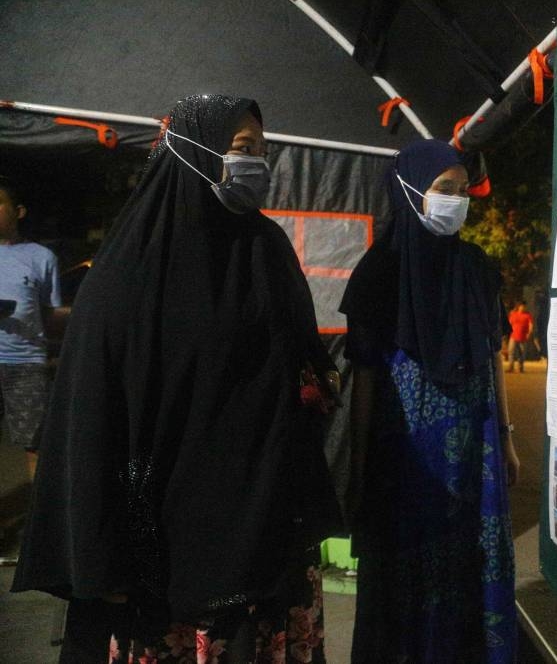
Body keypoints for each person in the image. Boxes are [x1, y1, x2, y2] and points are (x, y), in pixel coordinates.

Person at [12, 95, 341, 662]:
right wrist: (99, 548)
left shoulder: (267, 248)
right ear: (193, 152)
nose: (256, 164)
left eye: (263, 151)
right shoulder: (129, 270)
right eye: (242, 149)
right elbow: (92, 416)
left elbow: (305, 363)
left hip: (265, 522)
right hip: (163, 544)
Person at [340, 139, 519, 663]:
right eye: (445, 190)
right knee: (407, 578)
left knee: (473, 568)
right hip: (405, 460)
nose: (457, 201)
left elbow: (492, 359)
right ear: (410, 191)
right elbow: (366, 379)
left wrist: (506, 440)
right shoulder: (378, 274)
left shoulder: (477, 269)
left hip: (475, 453)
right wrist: (358, 468)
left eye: (463, 191)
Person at [0, 176, 69, 481]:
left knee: (35, 446)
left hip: (26, 364)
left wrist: (88, 314)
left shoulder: (42, 258)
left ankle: (35, 522)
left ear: (18, 212)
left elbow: (49, 316)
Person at [507, 300, 533, 373]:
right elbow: (509, 323)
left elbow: (530, 325)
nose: (523, 308)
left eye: (524, 306)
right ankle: (510, 367)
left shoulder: (527, 315)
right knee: (511, 351)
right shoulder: (513, 314)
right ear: (519, 307)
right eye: (521, 306)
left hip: (523, 337)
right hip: (513, 336)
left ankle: (520, 368)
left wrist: (529, 333)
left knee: (521, 353)